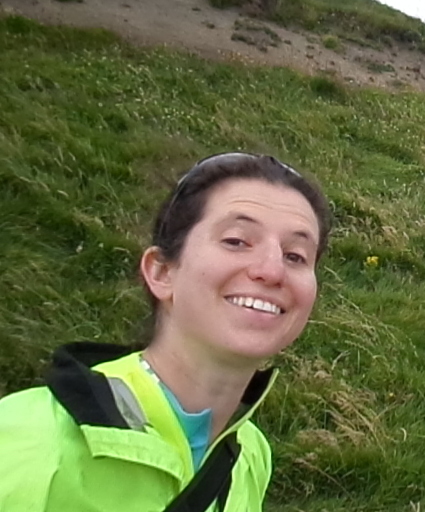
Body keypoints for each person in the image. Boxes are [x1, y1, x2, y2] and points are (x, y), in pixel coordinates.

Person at [1, 153, 334, 512]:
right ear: (161, 273)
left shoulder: (249, 454)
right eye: (236, 241)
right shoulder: (27, 441)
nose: (272, 270)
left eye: (296, 255)